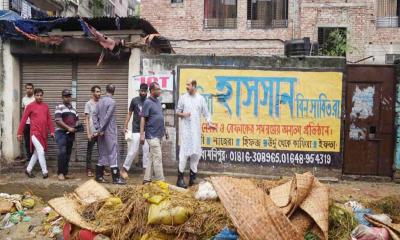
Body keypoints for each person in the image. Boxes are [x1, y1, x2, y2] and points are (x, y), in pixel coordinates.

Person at [176, 79, 216, 188]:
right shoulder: (183, 98)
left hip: (196, 133)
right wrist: (183, 114)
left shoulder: (200, 99)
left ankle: (192, 179)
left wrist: (209, 123)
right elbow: (177, 112)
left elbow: (206, 113)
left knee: (195, 155)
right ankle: (180, 179)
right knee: (184, 155)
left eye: (188, 85)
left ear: (194, 86)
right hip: (186, 132)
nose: (186, 86)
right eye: (186, 84)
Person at [17, 88, 55, 178]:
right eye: (37, 95)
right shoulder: (30, 106)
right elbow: (23, 120)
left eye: (41, 95)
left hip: (43, 133)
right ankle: (45, 172)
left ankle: (28, 170)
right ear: (34, 96)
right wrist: (19, 133)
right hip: (34, 133)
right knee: (41, 151)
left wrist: (52, 131)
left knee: (36, 153)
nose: (39, 97)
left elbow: (49, 120)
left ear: (42, 96)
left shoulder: (45, 106)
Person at [93, 84, 125, 185]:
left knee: (102, 153)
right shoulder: (112, 102)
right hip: (109, 130)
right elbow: (107, 117)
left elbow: (94, 115)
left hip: (101, 132)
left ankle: (99, 176)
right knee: (113, 153)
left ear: (106, 90)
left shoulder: (100, 101)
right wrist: (102, 128)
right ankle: (116, 178)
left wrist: (98, 128)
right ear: (114, 91)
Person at [140, 82, 168, 184]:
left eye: (160, 89)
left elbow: (160, 117)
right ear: (152, 91)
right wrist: (142, 134)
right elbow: (143, 118)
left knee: (152, 157)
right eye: (158, 89)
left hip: (159, 134)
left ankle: (146, 179)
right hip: (151, 135)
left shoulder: (158, 101)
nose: (160, 91)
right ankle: (161, 182)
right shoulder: (147, 102)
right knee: (158, 158)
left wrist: (165, 130)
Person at [121, 83, 150, 179]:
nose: (143, 92)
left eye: (145, 91)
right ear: (139, 90)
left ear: (147, 92)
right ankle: (124, 169)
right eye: (142, 91)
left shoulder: (149, 101)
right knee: (133, 151)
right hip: (136, 129)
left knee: (146, 151)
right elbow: (129, 114)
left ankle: (145, 170)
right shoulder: (134, 100)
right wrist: (125, 125)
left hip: (147, 130)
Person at [55, 89, 79, 181]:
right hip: (61, 133)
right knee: (62, 152)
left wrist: (76, 127)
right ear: (62, 97)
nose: (68, 98)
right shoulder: (59, 107)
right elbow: (58, 120)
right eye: (66, 96)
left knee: (68, 154)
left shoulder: (74, 109)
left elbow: (77, 120)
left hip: (70, 134)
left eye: (69, 96)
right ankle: (60, 173)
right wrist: (68, 128)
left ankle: (65, 173)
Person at [84, 85, 101, 177]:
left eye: (99, 91)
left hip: (100, 131)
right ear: (92, 93)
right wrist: (88, 133)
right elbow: (86, 119)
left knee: (101, 151)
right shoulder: (88, 104)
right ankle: (88, 169)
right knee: (89, 151)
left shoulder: (101, 103)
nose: (99, 93)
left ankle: (101, 169)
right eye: (97, 91)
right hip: (92, 131)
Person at [21, 83, 35, 162]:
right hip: (26, 124)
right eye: (27, 88)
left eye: (30, 88)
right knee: (27, 141)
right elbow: (23, 110)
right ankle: (29, 157)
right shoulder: (23, 99)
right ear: (25, 89)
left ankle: (34, 157)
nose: (29, 90)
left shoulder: (35, 98)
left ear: (33, 89)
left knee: (34, 141)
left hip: (34, 123)